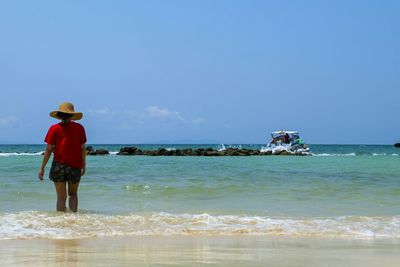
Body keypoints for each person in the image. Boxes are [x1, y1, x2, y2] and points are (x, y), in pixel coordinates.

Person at [38, 102, 87, 212]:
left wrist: (42, 168)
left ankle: (61, 225)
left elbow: (49, 150)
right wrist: (84, 165)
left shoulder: (53, 128)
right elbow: (83, 148)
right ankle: (73, 220)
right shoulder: (79, 128)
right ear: (72, 115)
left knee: (61, 197)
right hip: (75, 166)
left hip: (58, 166)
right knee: (73, 195)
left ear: (59, 115)